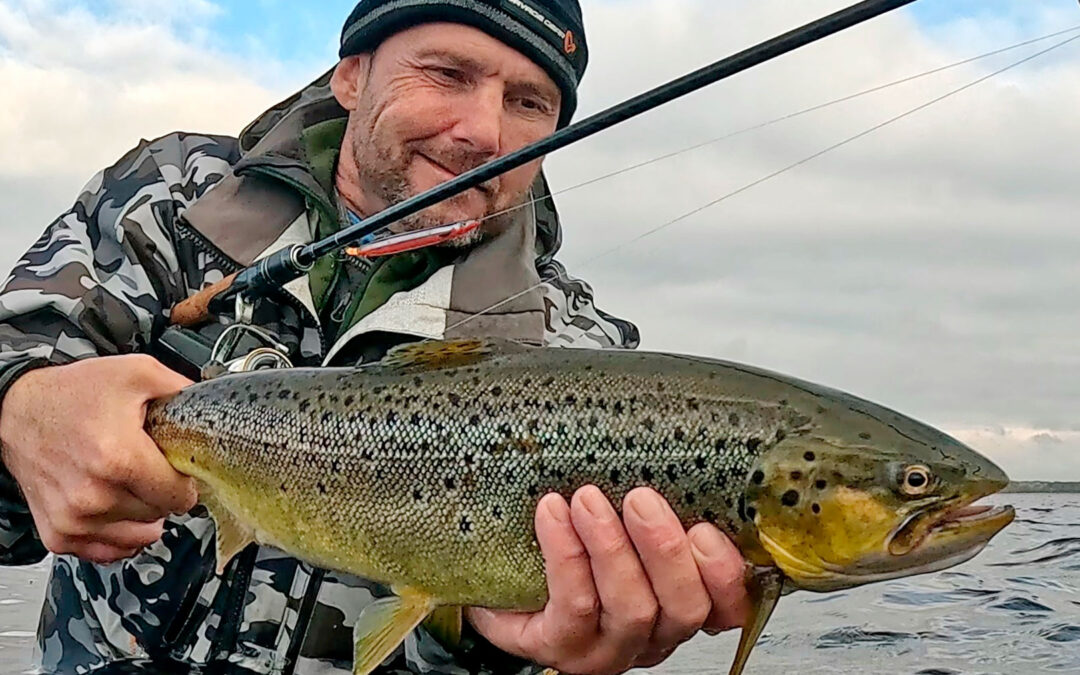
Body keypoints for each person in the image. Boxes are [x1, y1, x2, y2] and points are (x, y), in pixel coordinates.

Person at [0, 1, 750, 673]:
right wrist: (19, 415)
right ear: (352, 76)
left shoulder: (583, 353)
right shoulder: (167, 199)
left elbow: (497, 637)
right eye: (448, 73)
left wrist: (501, 642)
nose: (484, 132)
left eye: (528, 102)